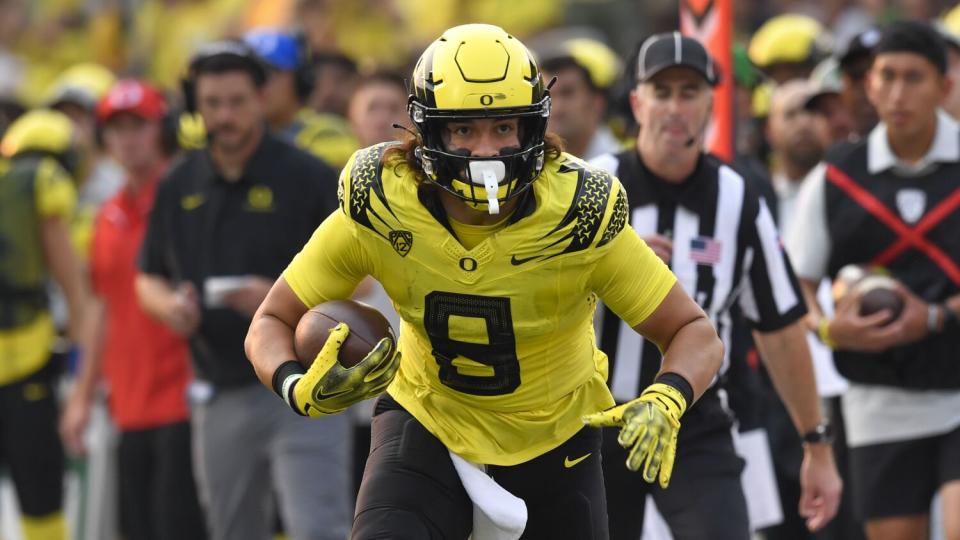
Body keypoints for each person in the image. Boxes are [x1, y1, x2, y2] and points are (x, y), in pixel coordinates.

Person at [246, 23, 724, 539]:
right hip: (428, 423)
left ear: (532, 128)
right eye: (464, 130)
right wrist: (296, 385)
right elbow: (270, 321)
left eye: (503, 128)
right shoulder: (384, 203)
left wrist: (668, 396)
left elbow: (692, 330)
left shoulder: (576, 212)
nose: (486, 151)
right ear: (429, 131)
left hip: (556, 440)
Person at [591, 33, 842, 540]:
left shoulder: (739, 199)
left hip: (693, 418)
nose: (674, 107)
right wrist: (610, 266)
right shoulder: (593, 186)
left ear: (712, 105)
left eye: (689, 92)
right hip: (594, 416)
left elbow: (780, 327)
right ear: (638, 103)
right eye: (662, 93)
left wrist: (817, 446)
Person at [136, 40, 348, 540]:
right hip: (219, 387)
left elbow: (359, 276)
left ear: (262, 98)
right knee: (232, 531)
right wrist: (169, 306)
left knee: (319, 528)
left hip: (305, 384)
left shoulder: (309, 176)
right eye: (212, 104)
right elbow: (146, 274)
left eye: (236, 101)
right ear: (194, 107)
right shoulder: (178, 183)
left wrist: (279, 301)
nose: (225, 115)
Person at [786, 21, 960, 540]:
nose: (898, 92)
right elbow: (799, 283)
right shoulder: (835, 175)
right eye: (886, 76)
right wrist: (830, 331)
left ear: (944, 86)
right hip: (876, 400)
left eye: (914, 77)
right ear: (869, 85)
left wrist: (934, 316)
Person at [59, 79, 206, 540]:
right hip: (128, 405)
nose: (127, 139)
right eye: (116, 128)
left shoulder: (189, 197)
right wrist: (82, 397)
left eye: (138, 126)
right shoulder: (107, 216)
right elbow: (99, 309)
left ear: (161, 129)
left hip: (185, 398)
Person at [0, 109, 91, 540]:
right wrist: (75, 348)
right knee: (40, 502)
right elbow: (72, 285)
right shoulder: (40, 182)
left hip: (23, 356)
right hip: (25, 359)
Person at [244, 28, 357, 169]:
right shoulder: (217, 132)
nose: (258, 85)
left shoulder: (328, 135)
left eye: (268, 73)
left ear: (299, 80)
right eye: (249, 76)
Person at [539, 37, 623, 160]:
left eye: (567, 93)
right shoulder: (530, 169)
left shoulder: (621, 170)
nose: (556, 107)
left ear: (597, 102)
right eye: (547, 96)